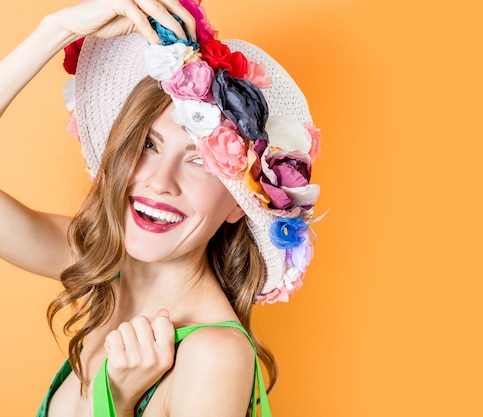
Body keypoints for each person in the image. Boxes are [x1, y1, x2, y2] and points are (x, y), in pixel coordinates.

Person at [0, 0, 322, 415]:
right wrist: (55, 30)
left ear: (239, 205)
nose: (158, 181)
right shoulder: (100, 265)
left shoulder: (214, 357)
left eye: (200, 161)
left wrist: (115, 399)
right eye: (149, 145)